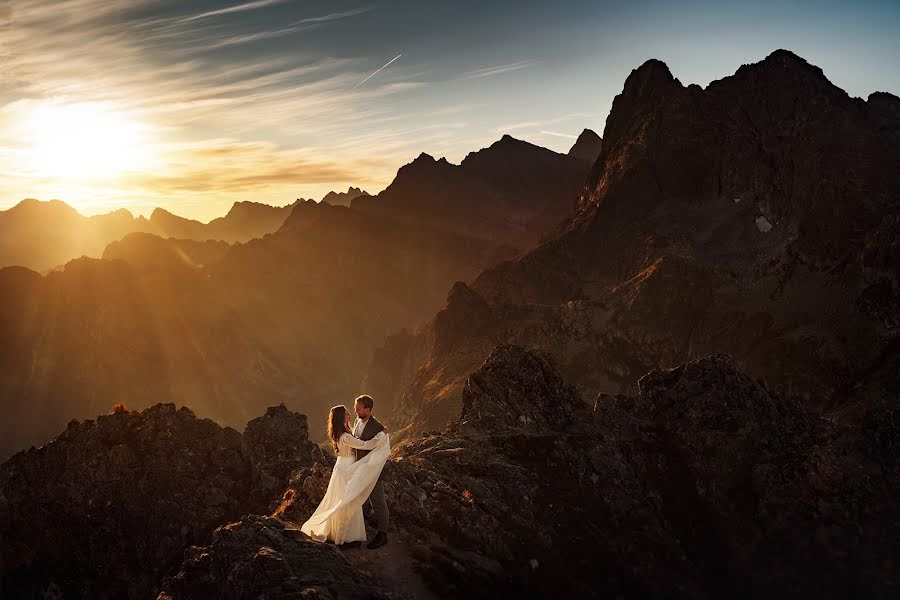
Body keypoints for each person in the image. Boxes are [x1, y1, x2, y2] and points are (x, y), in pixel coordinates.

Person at [300, 402, 390, 546]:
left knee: (344, 501)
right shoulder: (346, 436)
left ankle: (342, 535)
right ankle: (346, 538)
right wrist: (382, 434)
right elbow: (365, 445)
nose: (351, 414)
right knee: (347, 502)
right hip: (347, 468)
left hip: (343, 466)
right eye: (347, 413)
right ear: (342, 417)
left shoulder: (345, 430)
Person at [351, 394, 390, 549]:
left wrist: (370, 469)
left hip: (372, 471)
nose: (356, 412)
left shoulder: (378, 428)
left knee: (378, 502)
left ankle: (383, 534)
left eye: (358, 409)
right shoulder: (357, 421)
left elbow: (382, 452)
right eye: (355, 408)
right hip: (358, 469)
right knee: (355, 500)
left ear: (368, 409)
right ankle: (355, 535)